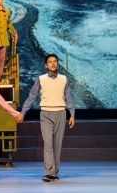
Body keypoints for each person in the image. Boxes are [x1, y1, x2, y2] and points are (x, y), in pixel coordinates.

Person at [17, 53, 76, 182]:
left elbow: (68, 98)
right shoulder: (41, 79)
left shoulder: (64, 79)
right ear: (46, 65)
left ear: (58, 64)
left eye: (55, 61)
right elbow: (32, 97)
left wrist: (72, 114)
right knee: (48, 144)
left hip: (60, 113)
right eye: (50, 62)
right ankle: (49, 172)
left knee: (57, 146)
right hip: (45, 114)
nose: (53, 63)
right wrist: (23, 112)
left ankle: (55, 172)